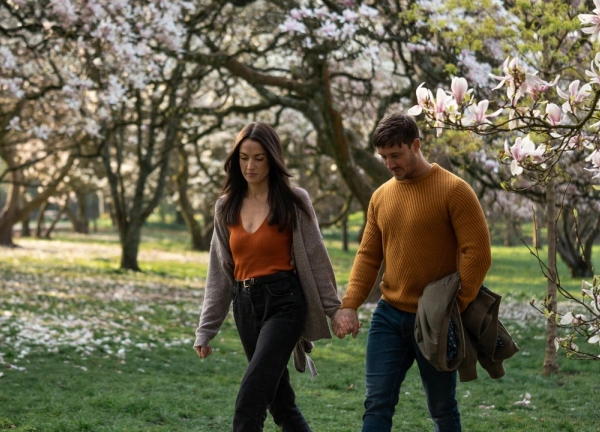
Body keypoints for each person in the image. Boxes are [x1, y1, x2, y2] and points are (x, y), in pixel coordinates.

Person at [333, 113, 491, 432]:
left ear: (415, 145)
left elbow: (478, 252)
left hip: (435, 319)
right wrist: (349, 303)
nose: (390, 164)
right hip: (389, 316)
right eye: (383, 157)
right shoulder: (381, 197)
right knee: (376, 403)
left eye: (396, 155)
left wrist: (454, 306)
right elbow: (367, 255)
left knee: (442, 408)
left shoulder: (454, 190)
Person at [194, 122, 342, 432]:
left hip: (284, 303)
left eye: (259, 158)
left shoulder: (293, 201)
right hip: (245, 306)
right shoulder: (226, 206)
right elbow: (220, 274)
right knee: (280, 402)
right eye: (244, 157)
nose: (251, 165)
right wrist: (206, 329)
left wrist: (335, 309)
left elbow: (316, 258)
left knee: (251, 398)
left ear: (272, 158)